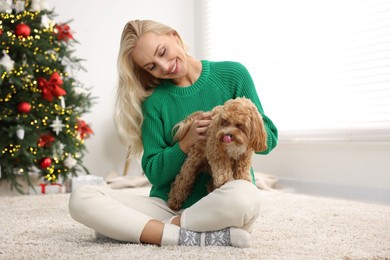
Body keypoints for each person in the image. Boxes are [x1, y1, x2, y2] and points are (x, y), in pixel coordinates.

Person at [69, 19, 278, 247]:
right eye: (151, 66)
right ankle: (186, 235)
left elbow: (269, 140)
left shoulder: (233, 74)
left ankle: (145, 230)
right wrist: (185, 143)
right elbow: (155, 174)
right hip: (168, 206)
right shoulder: (155, 102)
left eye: (163, 52)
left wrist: (234, 131)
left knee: (246, 196)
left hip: (222, 203)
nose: (164, 66)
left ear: (175, 37)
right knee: (82, 198)